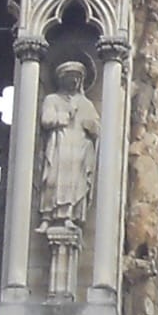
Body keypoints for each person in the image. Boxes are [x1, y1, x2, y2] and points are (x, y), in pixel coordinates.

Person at [38, 61, 101, 231]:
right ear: (62, 79)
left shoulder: (86, 103)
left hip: (79, 149)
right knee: (52, 180)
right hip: (60, 143)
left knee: (75, 183)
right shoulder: (52, 99)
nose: (73, 81)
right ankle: (47, 217)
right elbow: (46, 120)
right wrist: (65, 115)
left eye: (77, 78)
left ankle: (69, 215)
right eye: (70, 78)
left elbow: (96, 127)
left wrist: (91, 126)